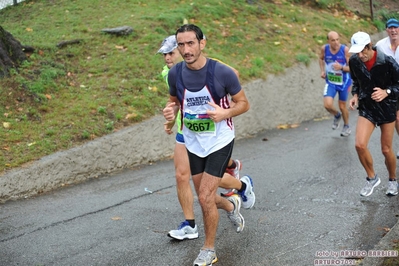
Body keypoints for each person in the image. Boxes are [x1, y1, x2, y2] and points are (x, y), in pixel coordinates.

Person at [163, 24, 251, 266]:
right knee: (207, 199)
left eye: (191, 43)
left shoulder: (222, 72)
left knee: (203, 195)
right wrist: (170, 116)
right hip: (193, 141)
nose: (186, 49)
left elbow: (243, 103)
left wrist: (225, 113)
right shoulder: (175, 74)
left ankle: (208, 250)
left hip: (220, 140)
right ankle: (232, 205)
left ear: (202, 43)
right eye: (181, 44)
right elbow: (174, 103)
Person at [348, 31, 399, 197]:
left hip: (387, 107)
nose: (360, 55)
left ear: (370, 46)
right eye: (357, 52)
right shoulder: (354, 61)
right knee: (359, 145)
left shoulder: (387, 62)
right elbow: (356, 81)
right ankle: (372, 178)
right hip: (367, 107)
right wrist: (355, 95)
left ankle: (392, 180)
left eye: (363, 51)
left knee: (386, 149)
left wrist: (387, 91)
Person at [319, 31, 352, 137]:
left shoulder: (345, 50)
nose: (336, 42)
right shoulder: (324, 49)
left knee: (342, 106)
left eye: (337, 39)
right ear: (328, 41)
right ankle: (337, 115)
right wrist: (322, 71)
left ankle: (346, 126)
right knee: (327, 105)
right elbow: (320, 58)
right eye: (333, 40)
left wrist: (341, 68)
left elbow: (352, 68)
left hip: (344, 82)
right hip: (331, 82)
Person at [375, 18, 399, 158]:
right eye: (390, 28)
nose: (393, 30)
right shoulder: (380, 46)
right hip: (391, 87)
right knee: (397, 118)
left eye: (396, 27)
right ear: (386, 30)